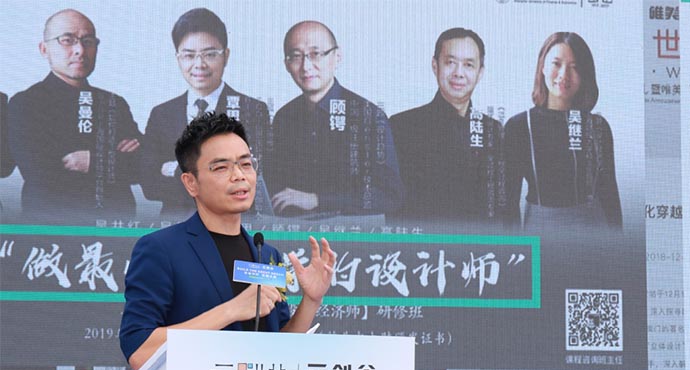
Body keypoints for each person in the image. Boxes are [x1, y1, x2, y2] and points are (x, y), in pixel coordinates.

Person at [119, 113, 335, 370]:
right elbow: (139, 350)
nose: (239, 176)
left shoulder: (266, 255)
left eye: (246, 163)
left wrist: (311, 300)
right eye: (221, 167)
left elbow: (277, 353)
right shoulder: (160, 249)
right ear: (191, 182)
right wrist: (232, 309)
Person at [7, 9, 142, 223]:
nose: (80, 50)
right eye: (67, 40)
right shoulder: (25, 103)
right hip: (51, 229)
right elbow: (41, 174)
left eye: (88, 41)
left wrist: (93, 160)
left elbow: (142, 166)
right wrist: (113, 158)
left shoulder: (114, 102)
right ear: (44, 49)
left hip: (115, 228)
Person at [141, 8, 272, 219]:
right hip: (177, 226)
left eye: (210, 54)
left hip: (235, 226)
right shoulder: (161, 114)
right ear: (178, 58)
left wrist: (176, 171)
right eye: (189, 55)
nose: (199, 64)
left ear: (226, 56)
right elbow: (149, 186)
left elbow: (251, 178)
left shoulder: (253, 110)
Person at [269, 21, 403, 218]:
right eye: (296, 56)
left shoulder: (368, 116)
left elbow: (390, 195)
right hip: (294, 230)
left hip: (350, 232)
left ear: (337, 57)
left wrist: (318, 200)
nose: (306, 66)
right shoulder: (284, 117)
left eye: (316, 54)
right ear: (287, 64)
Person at [390, 28, 519, 229]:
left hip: (481, 247)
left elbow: (506, 209)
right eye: (450, 62)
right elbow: (396, 208)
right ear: (435, 66)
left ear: (480, 73)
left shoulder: (494, 131)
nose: (459, 73)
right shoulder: (402, 127)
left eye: (468, 65)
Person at [504, 32, 622, 231]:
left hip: (595, 234)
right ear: (542, 67)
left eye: (574, 67)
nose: (564, 75)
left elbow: (610, 196)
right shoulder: (519, 126)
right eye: (556, 64)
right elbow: (508, 204)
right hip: (541, 233)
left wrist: (619, 244)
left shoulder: (598, 127)